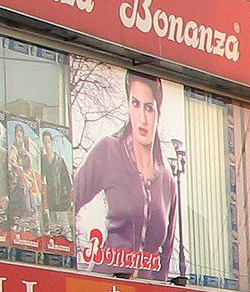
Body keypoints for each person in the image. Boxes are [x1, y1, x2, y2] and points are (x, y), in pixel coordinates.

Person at [72, 72, 181, 279]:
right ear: (128, 106)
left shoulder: (168, 179)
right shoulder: (108, 150)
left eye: (148, 108)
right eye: (135, 104)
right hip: (104, 289)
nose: (142, 118)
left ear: (158, 111)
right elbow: (67, 204)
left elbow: (165, 257)